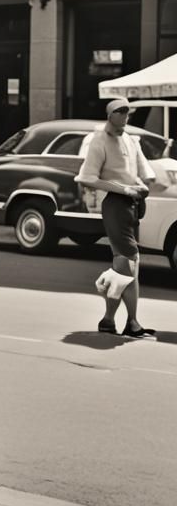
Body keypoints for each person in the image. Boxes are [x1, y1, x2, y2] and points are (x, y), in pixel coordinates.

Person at [76, 98, 155, 339]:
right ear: (110, 115)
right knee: (129, 262)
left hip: (132, 205)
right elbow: (87, 177)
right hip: (115, 204)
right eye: (120, 111)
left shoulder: (130, 139)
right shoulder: (99, 140)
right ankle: (132, 322)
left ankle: (109, 320)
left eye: (127, 112)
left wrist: (141, 187)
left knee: (124, 267)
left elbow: (143, 174)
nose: (125, 116)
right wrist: (124, 189)